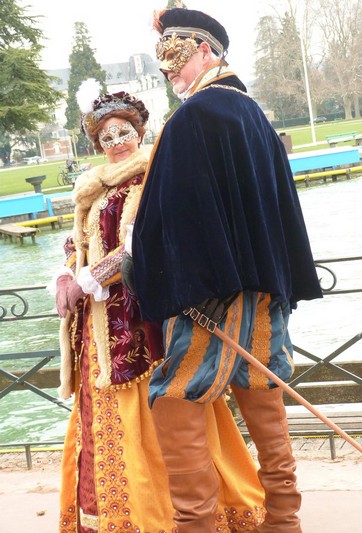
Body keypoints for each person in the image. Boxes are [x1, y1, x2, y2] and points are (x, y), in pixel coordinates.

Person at [128, 8, 323, 533]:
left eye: (176, 56)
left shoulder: (195, 116)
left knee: (175, 395)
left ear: (207, 50)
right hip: (261, 289)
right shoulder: (248, 111)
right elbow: (272, 209)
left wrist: (183, 281)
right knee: (261, 390)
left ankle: (197, 526)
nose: (169, 70)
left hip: (209, 293)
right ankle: (283, 520)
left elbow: (185, 209)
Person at [52, 80, 266, 532]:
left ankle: (173, 517)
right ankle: (114, 516)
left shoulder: (154, 176)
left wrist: (90, 279)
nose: (115, 144)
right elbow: (79, 240)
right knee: (102, 413)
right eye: (105, 138)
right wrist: (68, 274)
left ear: (139, 131)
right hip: (96, 327)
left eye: (122, 133)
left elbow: (140, 243)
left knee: (167, 413)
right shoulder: (92, 187)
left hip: (141, 318)